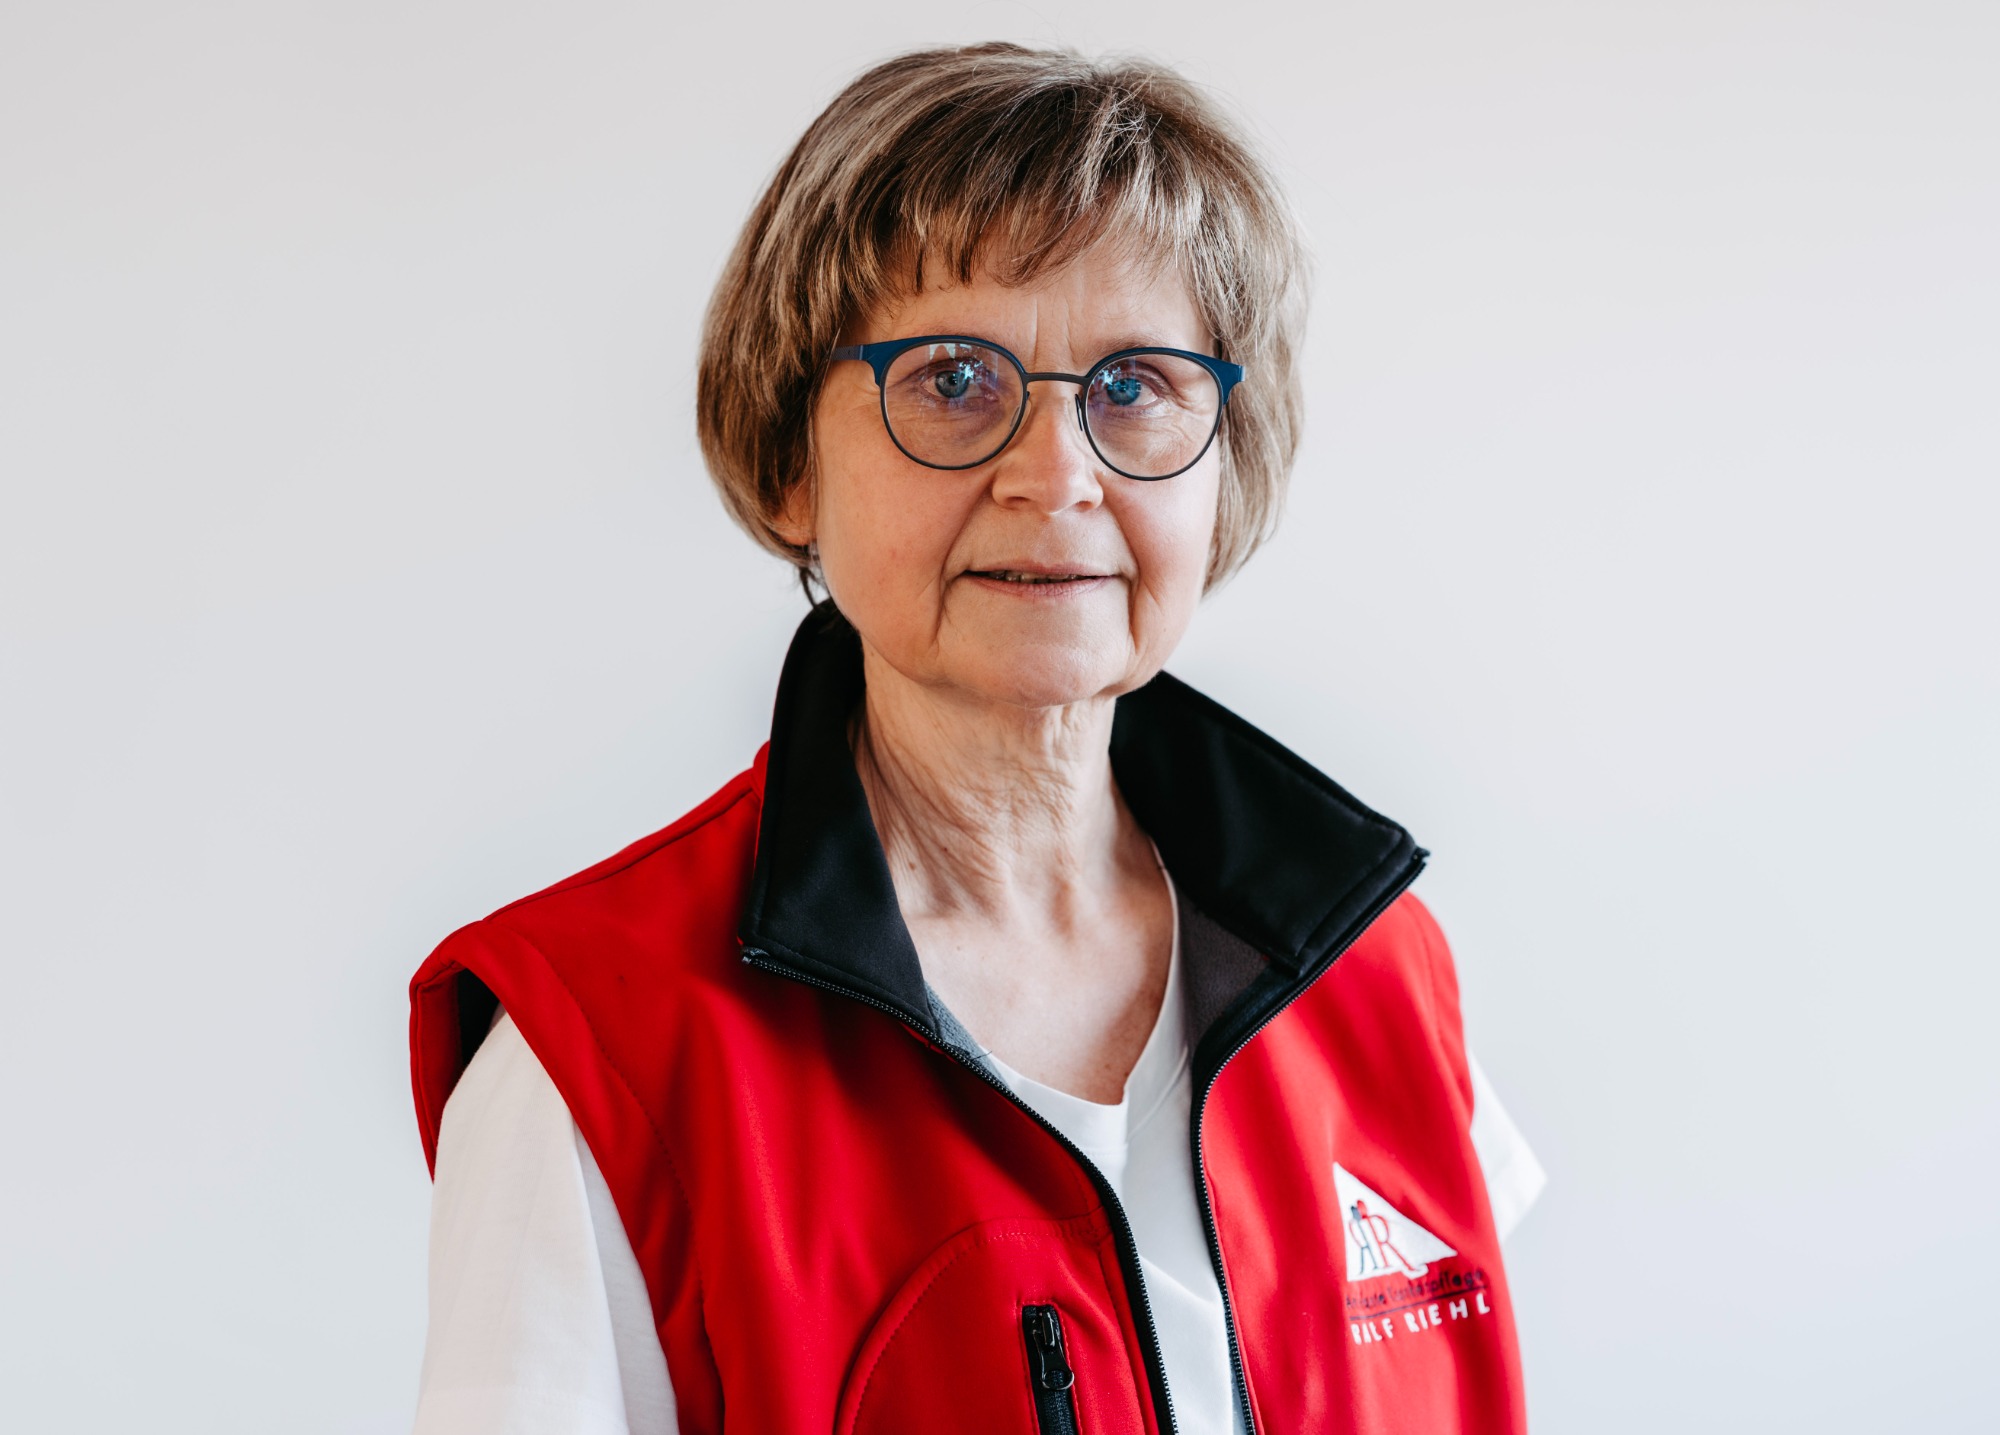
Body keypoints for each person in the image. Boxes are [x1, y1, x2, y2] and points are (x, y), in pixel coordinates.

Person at [406, 42, 1544, 1435]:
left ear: (1226, 462)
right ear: (790, 461)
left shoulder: (1379, 971)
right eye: (953, 379)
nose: (1056, 477)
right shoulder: (598, 1053)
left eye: (1134, 385)